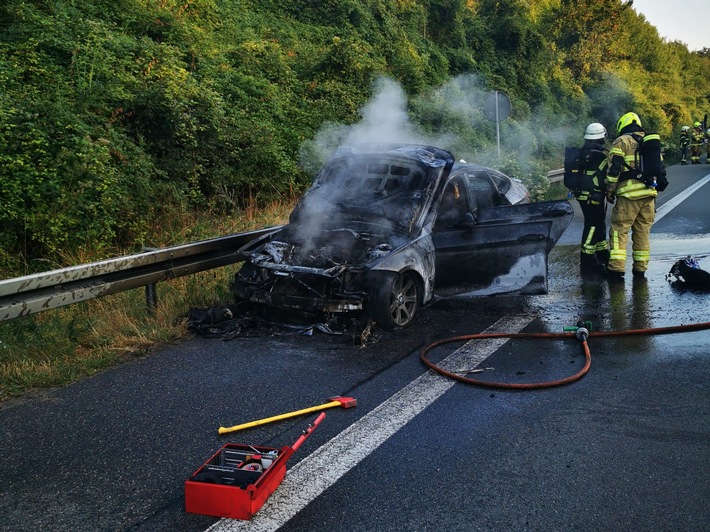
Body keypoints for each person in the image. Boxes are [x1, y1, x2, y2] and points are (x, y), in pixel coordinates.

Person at [605, 112, 659, 280]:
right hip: (649, 194)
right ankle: (640, 270)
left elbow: (614, 168)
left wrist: (610, 189)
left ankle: (616, 269)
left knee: (619, 231)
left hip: (628, 196)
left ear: (623, 125)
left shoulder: (622, 141)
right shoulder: (650, 143)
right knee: (643, 232)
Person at [574, 122, 610, 276]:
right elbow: (605, 178)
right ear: (601, 137)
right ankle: (588, 260)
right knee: (593, 225)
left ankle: (601, 253)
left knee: (598, 223)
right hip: (594, 196)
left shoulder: (581, 153)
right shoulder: (599, 156)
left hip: (583, 195)